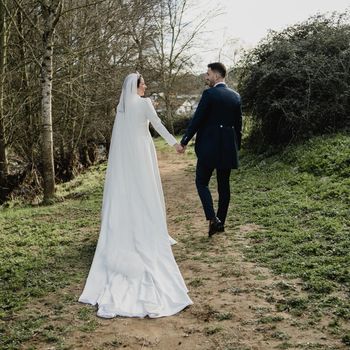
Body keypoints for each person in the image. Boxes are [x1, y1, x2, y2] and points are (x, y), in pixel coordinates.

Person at [78, 73, 193, 318]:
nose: (146, 86)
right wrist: (175, 144)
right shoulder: (144, 103)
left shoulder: (121, 108)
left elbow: (118, 138)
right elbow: (158, 125)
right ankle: (149, 227)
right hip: (142, 154)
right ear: (136, 86)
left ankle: (128, 226)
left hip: (125, 160)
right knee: (146, 191)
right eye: (143, 83)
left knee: (130, 193)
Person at [180, 62, 242, 237]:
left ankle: (212, 218)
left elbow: (197, 120)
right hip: (228, 148)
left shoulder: (209, 94)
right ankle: (220, 222)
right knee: (224, 186)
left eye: (208, 74)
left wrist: (184, 140)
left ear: (216, 75)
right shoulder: (235, 96)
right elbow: (239, 126)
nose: (206, 77)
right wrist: (237, 147)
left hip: (208, 147)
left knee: (201, 182)